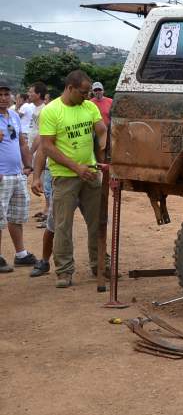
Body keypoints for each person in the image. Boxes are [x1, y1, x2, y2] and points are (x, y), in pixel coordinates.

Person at [34, 70, 106, 287]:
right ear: (70, 88)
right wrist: (76, 167)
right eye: (83, 92)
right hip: (65, 177)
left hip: (91, 174)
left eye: (88, 92)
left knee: (97, 222)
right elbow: (46, 146)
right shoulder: (52, 111)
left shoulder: (89, 107)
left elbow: (101, 130)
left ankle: (100, 265)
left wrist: (102, 147)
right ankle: (64, 271)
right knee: (63, 226)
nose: (87, 96)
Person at [0, 80, 38, 273]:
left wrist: (28, 165)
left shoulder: (14, 115)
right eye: (0, 95)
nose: (3, 98)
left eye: (6, 94)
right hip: (1, 176)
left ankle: (20, 254)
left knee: (16, 216)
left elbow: (22, 143)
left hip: (16, 174)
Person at [27, 82, 48, 223]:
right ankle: (47, 209)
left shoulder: (44, 110)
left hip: (41, 152)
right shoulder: (36, 109)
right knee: (43, 181)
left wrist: (31, 151)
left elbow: (41, 134)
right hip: (36, 152)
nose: (28, 94)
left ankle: (49, 212)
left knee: (46, 182)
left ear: (38, 94)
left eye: (31, 92)